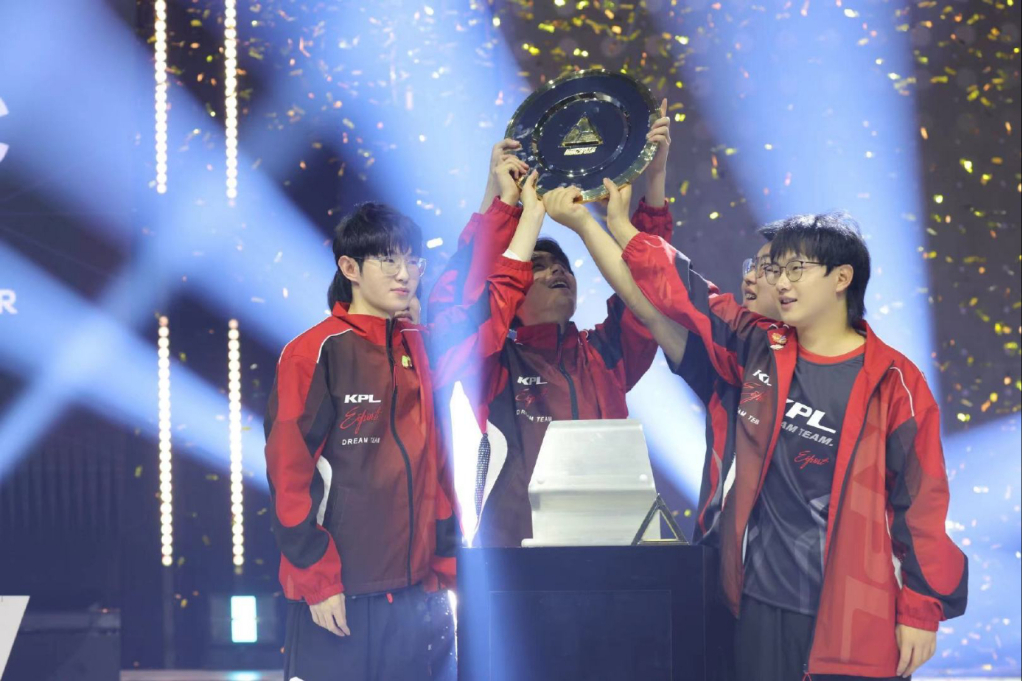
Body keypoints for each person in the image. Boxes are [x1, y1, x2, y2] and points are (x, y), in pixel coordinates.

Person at [592, 190, 967, 680]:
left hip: (854, 614)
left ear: (842, 278)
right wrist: (619, 225)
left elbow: (920, 503)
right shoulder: (758, 348)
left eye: (796, 270)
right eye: (776, 271)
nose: (781, 283)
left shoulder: (896, 381)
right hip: (759, 603)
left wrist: (920, 611)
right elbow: (686, 291)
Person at [263, 200, 531, 680]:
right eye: (388, 259)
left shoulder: (421, 348)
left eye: (412, 260)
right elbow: (289, 477)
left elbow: (485, 306)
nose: (404, 273)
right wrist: (317, 581)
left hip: (417, 595)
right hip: (341, 595)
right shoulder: (314, 353)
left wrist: (522, 211)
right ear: (350, 268)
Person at [427, 102, 675, 548]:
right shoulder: (493, 363)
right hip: (519, 559)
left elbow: (652, 290)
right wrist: (504, 203)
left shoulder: (604, 354)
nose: (556, 271)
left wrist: (653, 180)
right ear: (513, 287)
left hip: (612, 552)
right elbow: (459, 301)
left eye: (562, 266)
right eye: (537, 266)